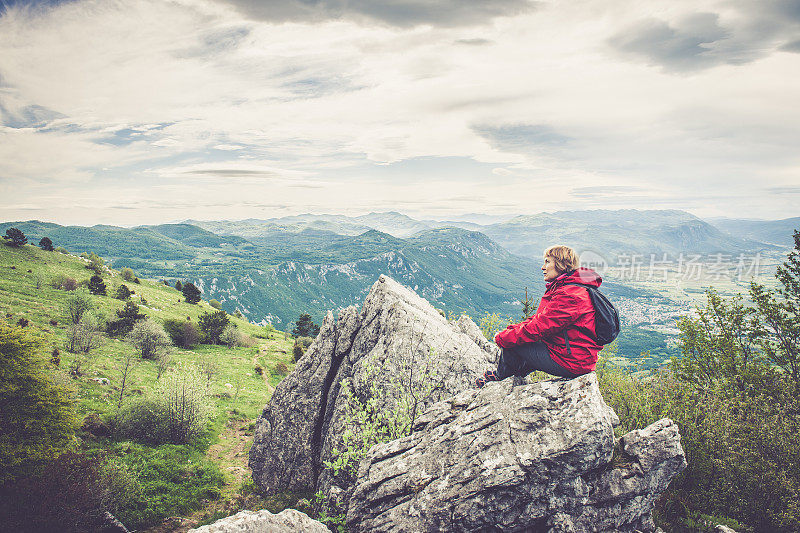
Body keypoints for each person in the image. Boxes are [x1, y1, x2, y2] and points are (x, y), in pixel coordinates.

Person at [476, 245, 603, 387]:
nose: (543, 267)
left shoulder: (569, 295)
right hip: (574, 354)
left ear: (561, 265)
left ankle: (500, 380)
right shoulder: (568, 287)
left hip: (572, 361)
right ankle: (512, 374)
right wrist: (512, 329)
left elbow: (539, 327)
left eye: (547, 262)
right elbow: (540, 319)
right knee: (514, 337)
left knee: (512, 343)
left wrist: (503, 337)